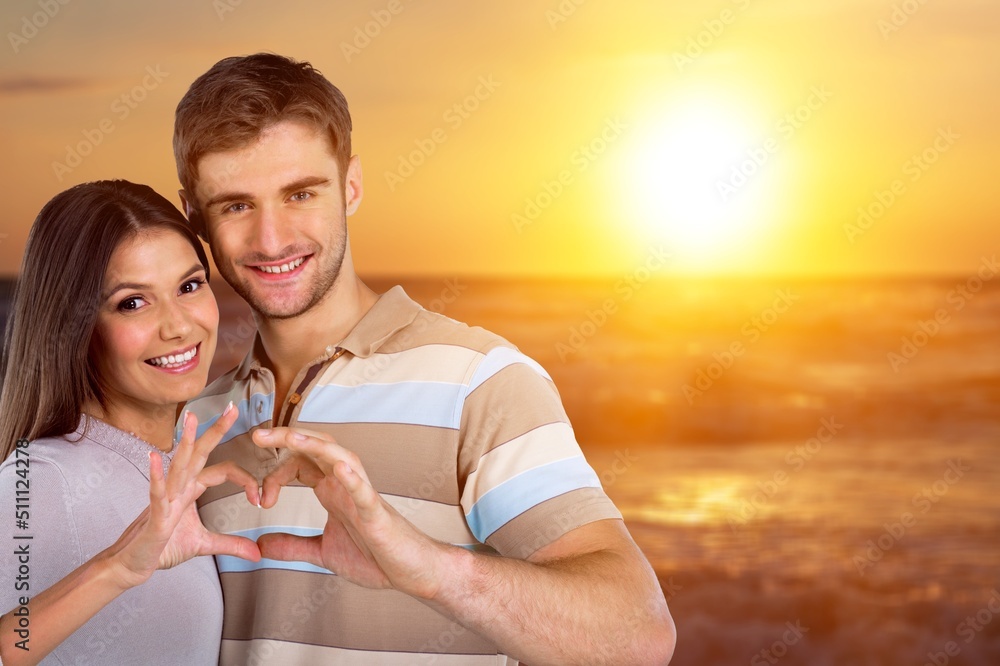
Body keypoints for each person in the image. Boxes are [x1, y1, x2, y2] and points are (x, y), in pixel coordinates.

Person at [176, 53, 676, 665]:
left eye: (301, 193)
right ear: (194, 215)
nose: (272, 239)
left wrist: (431, 571)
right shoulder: (192, 419)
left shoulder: (482, 381)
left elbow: (638, 637)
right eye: (235, 205)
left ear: (351, 185)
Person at [0, 180, 262, 665]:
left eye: (189, 286)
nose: (178, 326)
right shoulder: (42, 478)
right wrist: (116, 569)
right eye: (132, 302)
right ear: (76, 326)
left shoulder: (176, 462)